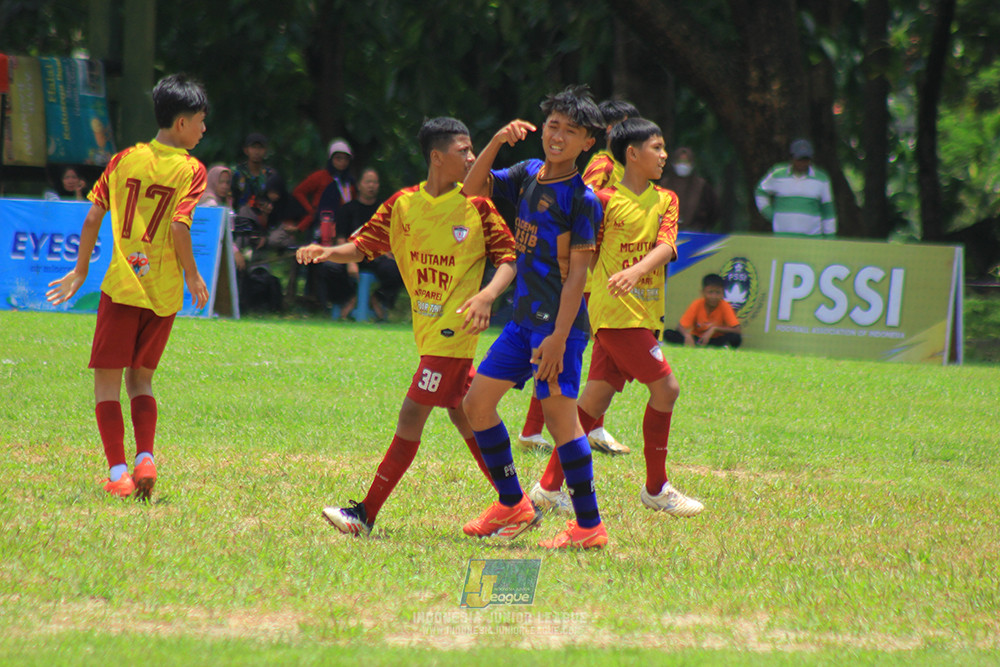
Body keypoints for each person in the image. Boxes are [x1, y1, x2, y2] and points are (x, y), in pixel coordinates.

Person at [295, 117, 517, 537]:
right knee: (465, 414)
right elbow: (362, 247)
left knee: (412, 412)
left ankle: (364, 514)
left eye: (473, 149)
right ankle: (515, 504)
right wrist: (326, 251)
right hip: (428, 333)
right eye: (463, 150)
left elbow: (509, 259)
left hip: (454, 333)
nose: (472, 158)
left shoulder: (478, 206)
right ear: (437, 157)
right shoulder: (403, 205)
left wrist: (487, 295)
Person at [45, 73, 211, 500]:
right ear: (181, 123)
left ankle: (119, 472)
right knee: (142, 380)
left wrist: (80, 271)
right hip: (163, 294)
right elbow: (179, 226)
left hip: (121, 288)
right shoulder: (192, 169)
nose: (203, 129)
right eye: (200, 121)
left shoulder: (122, 160)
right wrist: (192, 274)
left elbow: (92, 217)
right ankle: (145, 457)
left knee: (107, 383)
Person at [531, 118, 704, 520]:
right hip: (614, 314)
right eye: (657, 148)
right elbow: (580, 253)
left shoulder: (666, 199)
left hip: (645, 312)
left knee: (594, 401)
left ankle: (548, 488)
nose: (664, 156)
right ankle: (657, 489)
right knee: (667, 390)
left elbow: (667, 245)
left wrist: (636, 271)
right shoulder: (602, 200)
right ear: (632, 153)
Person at [460, 85, 609, 550]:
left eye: (571, 131)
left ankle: (589, 526)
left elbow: (578, 274)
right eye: (552, 126)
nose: (558, 136)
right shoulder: (527, 172)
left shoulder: (581, 199)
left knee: (562, 424)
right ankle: (512, 503)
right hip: (521, 322)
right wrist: (496, 141)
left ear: (588, 142)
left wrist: (560, 337)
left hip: (556, 330)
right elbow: (471, 188)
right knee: (476, 405)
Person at [516, 98, 637, 457]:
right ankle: (550, 430)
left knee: (590, 351)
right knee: (567, 350)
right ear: (610, 130)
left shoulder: (618, 165)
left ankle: (582, 427)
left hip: (600, 273)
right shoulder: (604, 164)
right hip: (585, 275)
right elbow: (586, 204)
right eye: (627, 126)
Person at [334, 167, 403, 320]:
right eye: (368, 182)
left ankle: (378, 299)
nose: (371, 186)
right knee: (330, 268)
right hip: (352, 253)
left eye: (375, 182)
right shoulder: (347, 209)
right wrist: (349, 261)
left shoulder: (385, 210)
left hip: (377, 256)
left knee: (398, 270)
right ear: (359, 185)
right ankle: (349, 299)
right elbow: (341, 239)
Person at [755, 138, 836, 236]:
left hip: (812, 238)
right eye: (799, 159)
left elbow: (828, 211)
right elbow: (760, 192)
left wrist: (830, 236)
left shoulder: (821, 179)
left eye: (806, 159)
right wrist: (769, 213)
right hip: (782, 237)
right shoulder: (777, 174)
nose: (803, 163)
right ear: (792, 158)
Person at [292, 138, 355, 240]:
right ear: (331, 159)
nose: (342, 162)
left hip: (344, 227)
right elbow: (298, 192)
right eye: (338, 158)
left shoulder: (350, 182)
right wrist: (311, 211)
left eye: (345, 159)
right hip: (321, 224)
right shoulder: (320, 176)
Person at [662, 273, 743, 348]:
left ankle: (722, 347)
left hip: (716, 339)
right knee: (668, 333)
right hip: (697, 338)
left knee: (735, 337)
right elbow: (680, 327)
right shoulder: (697, 304)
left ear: (722, 294)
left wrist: (714, 329)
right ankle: (690, 345)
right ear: (703, 292)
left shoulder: (724, 306)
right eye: (710, 292)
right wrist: (687, 335)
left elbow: (737, 329)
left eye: (718, 292)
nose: (714, 297)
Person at [658, 146, 718, 231]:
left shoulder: (702, 186)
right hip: (666, 232)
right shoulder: (664, 185)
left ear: (692, 163)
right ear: (674, 163)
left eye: (686, 162)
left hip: (696, 233)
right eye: (680, 161)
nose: (683, 165)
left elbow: (713, 212)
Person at [231, 132, 276, 212]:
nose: (256, 152)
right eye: (253, 147)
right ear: (246, 150)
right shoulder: (237, 173)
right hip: (240, 216)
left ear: (265, 150)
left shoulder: (270, 175)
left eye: (260, 148)